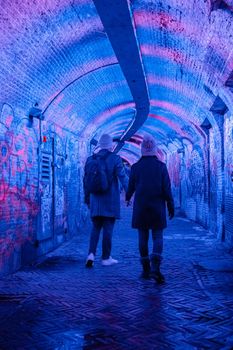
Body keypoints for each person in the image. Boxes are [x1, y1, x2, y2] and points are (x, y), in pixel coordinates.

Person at [126, 135, 174, 283]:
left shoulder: (135, 167)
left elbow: (131, 186)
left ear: (141, 150)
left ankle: (146, 270)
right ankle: (156, 269)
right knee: (157, 236)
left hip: (141, 207)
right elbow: (167, 189)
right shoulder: (161, 167)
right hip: (157, 207)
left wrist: (127, 198)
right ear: (155, 149)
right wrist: (170, 205)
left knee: (143, 238)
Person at [84, 134, 128, 267]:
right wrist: (130, 193)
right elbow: (123, 177)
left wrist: (87, 198)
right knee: (108, 229)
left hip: (95, 201)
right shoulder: (115, 159)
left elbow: (86, 181)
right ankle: (105, 257)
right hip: (110, 201)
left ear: (99, 145)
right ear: (111, 146)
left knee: (95, 228)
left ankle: (91, 254)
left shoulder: (90, 159)